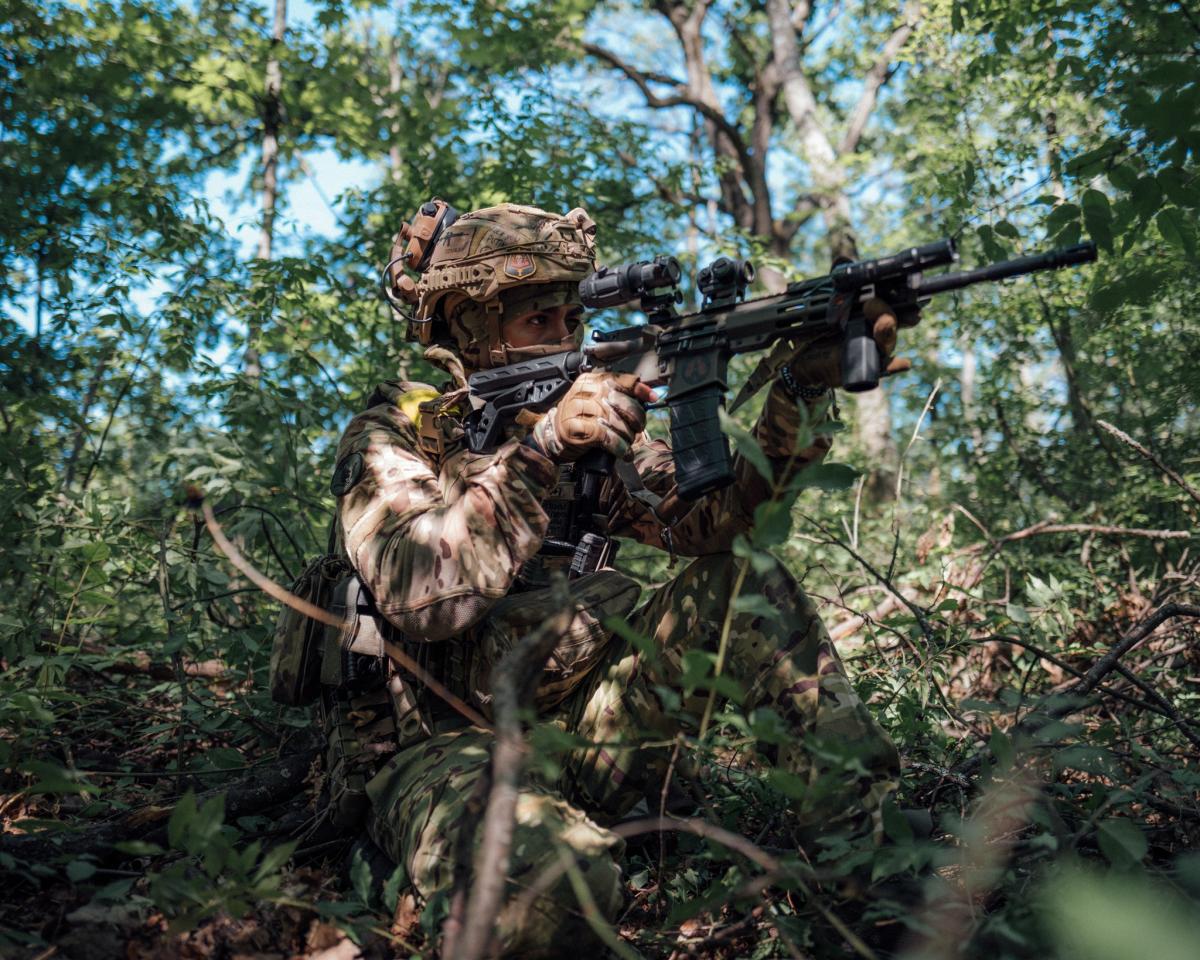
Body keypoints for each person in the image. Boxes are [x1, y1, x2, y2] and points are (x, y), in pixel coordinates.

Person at [318, 200, 907, 956]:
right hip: (440, 747)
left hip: (584, 726)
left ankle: (878, 887)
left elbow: (714, 524)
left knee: (746, 587)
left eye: (573, 320)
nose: (567, 339)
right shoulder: (397, 436)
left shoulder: (594, 428)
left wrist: (794, 391)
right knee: (552, 889)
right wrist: (545, 451)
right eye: (540, 322)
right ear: (470, 328)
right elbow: (422, 595)